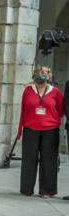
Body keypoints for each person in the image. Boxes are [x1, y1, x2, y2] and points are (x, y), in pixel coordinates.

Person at [17, 66, 64, 198]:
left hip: (50, 130)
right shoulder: (28, 90)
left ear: (49, 76)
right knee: (28, 160)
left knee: (48, 161)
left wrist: (51, 119)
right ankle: (27, 189)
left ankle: (47, 191)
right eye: (39, 72)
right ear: (34, 75)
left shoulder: (55, 92)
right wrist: (20, 130)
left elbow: (60, 110)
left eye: (44, 72)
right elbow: (23, 110)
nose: (41, 74)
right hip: (30, 129)